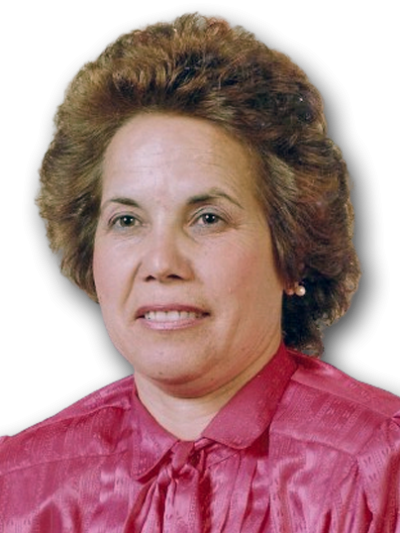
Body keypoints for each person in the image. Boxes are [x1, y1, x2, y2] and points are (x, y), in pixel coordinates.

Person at [1, 11, 399, 532]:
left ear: (292, 250)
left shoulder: (382, 471)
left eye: (208, 218)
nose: (161, 263)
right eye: (127, 220)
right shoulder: (18, 487)